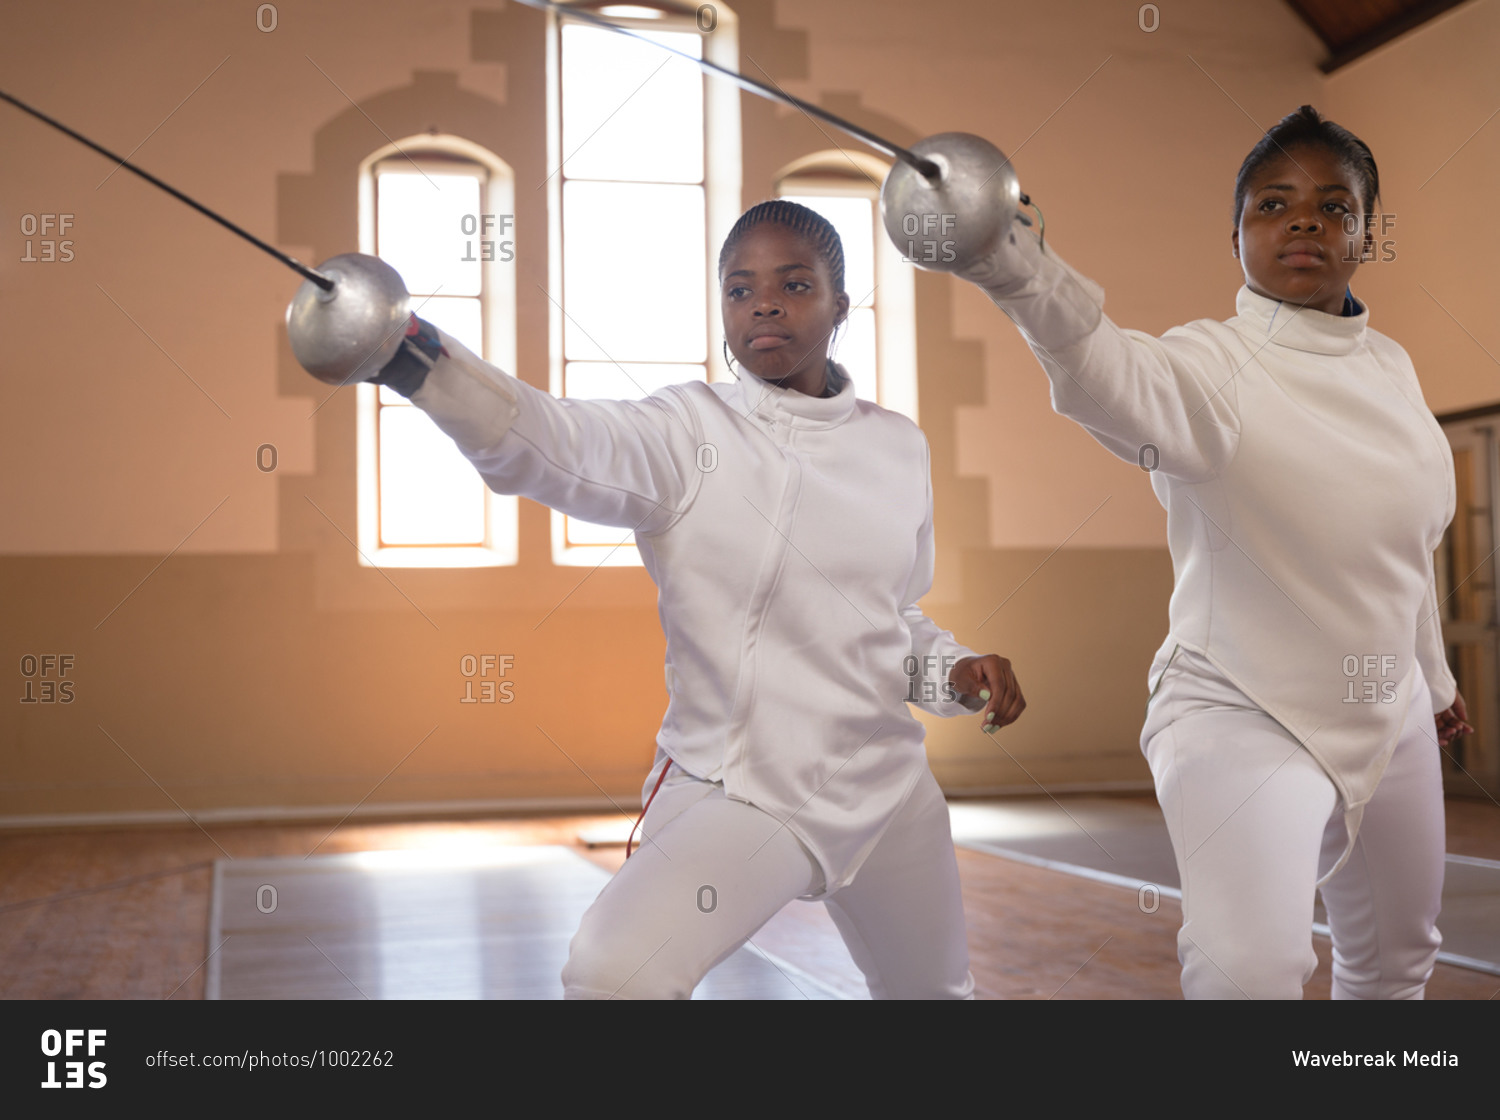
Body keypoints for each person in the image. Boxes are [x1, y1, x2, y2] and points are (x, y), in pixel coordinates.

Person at [371, 200, 1025, 999]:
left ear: (840, 304)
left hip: (888, 789)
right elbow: (545, 442)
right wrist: (419, 360)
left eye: (794, 284)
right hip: (747, 790)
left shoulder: (897, 446)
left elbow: (894, 624)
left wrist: (953, 675)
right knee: (615, 973)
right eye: (740, 289)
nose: (766, 304)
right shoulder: (684, 432)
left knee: (936, 999)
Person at [950, 105, 1469, 998]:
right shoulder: (1208, 366)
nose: (1304, 220)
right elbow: (1106, 373)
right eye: (1273, 204)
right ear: (1234, 236)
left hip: (1389, 704)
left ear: (1365, 235)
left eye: (1334, 206)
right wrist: (1015, 264)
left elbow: (1407, 550)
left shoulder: (1391, 367)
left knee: (1395, 963)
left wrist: (1439, 682)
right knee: (1250, 973)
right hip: (1241, 707)